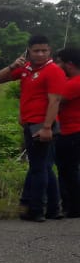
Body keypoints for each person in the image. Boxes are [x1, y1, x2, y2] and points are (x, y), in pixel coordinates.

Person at [0, 35, 66, 222]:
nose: (41, 54)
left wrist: (47, 127)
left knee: (38, 168)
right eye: (36, 50)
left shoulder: (53, 71)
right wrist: (13, 65)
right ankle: (53, 208)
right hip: (29, 123)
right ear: (29, 51)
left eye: (44, 50)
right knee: (45, 167)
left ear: (50, 51)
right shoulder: (26, 68)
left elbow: (55, 100)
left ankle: (36, 209)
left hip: (42, 125)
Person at [53, 46, 80, 219]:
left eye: (59, 62)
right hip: (67, 131)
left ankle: (74, 207)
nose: (56, 65)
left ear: (69, 64)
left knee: (68, 170)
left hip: (71, 132)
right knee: (67, 170)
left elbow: (53, 98)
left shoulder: (74, 83)